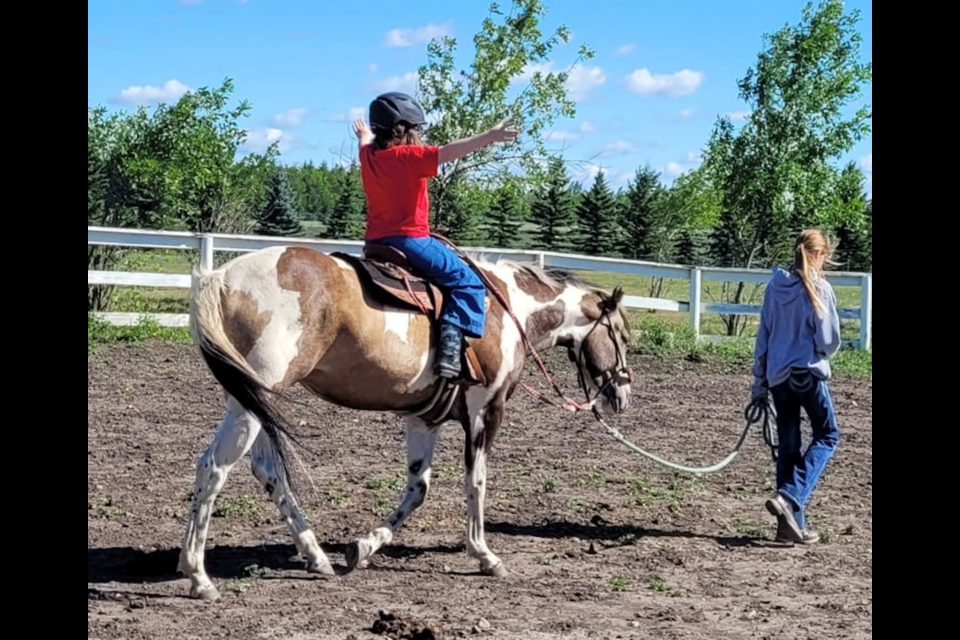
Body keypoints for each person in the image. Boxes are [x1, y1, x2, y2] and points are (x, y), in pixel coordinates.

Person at [352, 91, 519, 379]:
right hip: (411, 240)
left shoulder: (369, 156)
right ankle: (450, 354)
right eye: (415, 128)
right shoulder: (408, 157)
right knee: (468, 282)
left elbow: (365, 141)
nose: (418, 134)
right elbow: (449, 151)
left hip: (374, 242)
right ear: (401, 129)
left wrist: (364, 133)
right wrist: (489, 136)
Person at [750, 228, 842, 545]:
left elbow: (764, 335)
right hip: (807, 372)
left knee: (788, 446)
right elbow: (828, 342)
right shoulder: (820, 287)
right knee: (828, 435)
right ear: (818, 254)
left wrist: (759, 383)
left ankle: (789, 527)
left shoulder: (775, 287)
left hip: (778, 377)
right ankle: (789, 497)